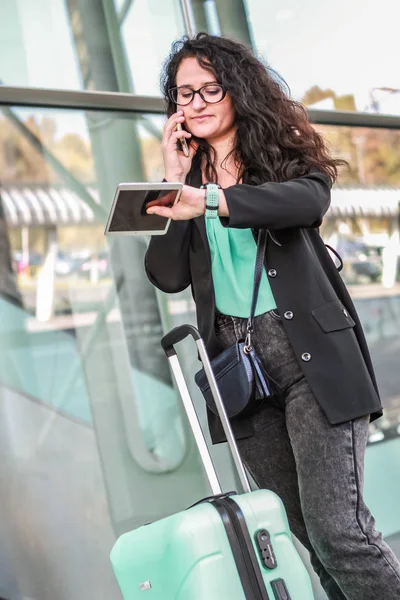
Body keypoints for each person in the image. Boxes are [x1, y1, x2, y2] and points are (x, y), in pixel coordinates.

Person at [144, 33, 400, 599]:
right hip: (238, 368)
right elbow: (166, 275)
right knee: (305, 535)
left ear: (237, 91)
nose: (199, 102)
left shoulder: (280, 155)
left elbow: (307, 203)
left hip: (310, 357)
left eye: (212, 88)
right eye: (185, 93)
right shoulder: (184, 181)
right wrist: (172, 179)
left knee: (343, 534)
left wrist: (210, 201)